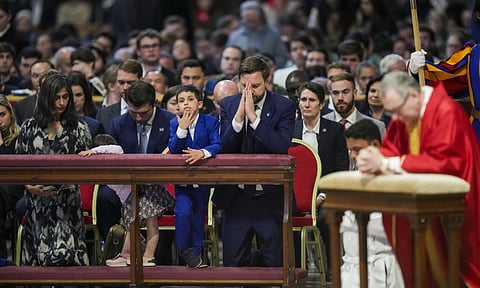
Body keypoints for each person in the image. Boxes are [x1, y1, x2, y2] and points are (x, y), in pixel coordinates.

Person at [356, 71, 480, 287]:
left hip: (454, 204)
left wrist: (387, 164)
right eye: (390, 112)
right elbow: (391, 149)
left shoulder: (445, 111)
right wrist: (372, 157)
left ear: (414, 95)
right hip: (421, 204)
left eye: (396, 110)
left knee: (456, 265)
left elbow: (446, 163)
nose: (394, 118)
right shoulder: (406, 113)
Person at [217, 56, 296, 267]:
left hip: (270, 198)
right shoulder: (228, 104)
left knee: (275, 264)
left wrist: (254, 118)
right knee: (232, 264)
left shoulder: (284, 106)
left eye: (256, 85)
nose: (249, 91)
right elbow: (223, 148)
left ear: (268, 81)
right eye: (244, 85)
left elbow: (281, 147)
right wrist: (238, 119)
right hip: (236, 198)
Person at [16, 73, 92, 266]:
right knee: (39, 262)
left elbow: (88, 167)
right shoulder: (29, 127)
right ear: (45, 98)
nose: (61, 103)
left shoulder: (79, 128)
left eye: (65, 97)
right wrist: (28, 186)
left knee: (69, 259)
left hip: (68, 202)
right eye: (56, 98)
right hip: (38, 203)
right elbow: (17, 164)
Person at [100, 80, 176, 265]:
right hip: (128, 181)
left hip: (162, 182)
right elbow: (112, 158)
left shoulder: (171, 121)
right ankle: (118, 247)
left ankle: (155, 256)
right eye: (134, 113)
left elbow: (176, 155)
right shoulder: (118, 123)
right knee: (104, 197)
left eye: (144, 113)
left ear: (154, 103)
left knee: (150, 208)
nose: (139, 118)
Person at [79, 134, 174, 267]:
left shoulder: (118, 153)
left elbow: (114, 148)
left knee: (151, 224)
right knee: (131, 224)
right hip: (133, 196)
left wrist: (93, 151)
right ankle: (126, 254)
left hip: (148, 189)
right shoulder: (104, 175)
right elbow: (122, 193)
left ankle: (149, 256)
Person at [292, 81, 349, 269]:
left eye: (311, 100)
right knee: (283, 218)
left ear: (321, 104)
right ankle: (296, 270)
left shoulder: (334, 131)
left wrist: (322, 196)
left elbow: (340, 169)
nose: (306, 104)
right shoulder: (289, 131)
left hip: (325, 197)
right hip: (294, 198)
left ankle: (332, 271)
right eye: (303, 100)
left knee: (327, 218)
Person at [341, 119, 404, 287]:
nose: (353, 155)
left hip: (381, 267)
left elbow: (394, 225)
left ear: (375, 145)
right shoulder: (351, 179)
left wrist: (355, 221)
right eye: (350, 150)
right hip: (351, 268)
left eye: (357, 149)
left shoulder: (393, 179)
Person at [168, 85, 222, 268]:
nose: (186, 104)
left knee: (199, 217)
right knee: (182, 213)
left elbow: (217, 145)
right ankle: (184, 250)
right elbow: (174, 149)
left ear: (199, 103)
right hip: (183, 180)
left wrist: (203, 152)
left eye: (190, 99)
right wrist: (182, 129)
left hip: (203, 179)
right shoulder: (175, 123)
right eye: (181, 101)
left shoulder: (210, 122)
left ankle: (196, 255)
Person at [227, 1, 288, 68]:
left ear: (261, 18)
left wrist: (266, 65)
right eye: (247, 21)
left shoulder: (273, 34)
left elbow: (282, 57)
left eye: (253, 21)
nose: (250, 24)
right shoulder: (235, 36)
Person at [323, 72, 385, 138]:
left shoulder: (376, 126)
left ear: (355, 93)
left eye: (345, 92)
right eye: (335, 93)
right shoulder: (320, 123)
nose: (340, 98)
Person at [0, 95, 23, 259]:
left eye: (2, 115)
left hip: (15, 186)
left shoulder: (19, 139)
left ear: (10, 114)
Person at [96, 59, 143, 131]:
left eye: (130, 83)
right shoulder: (103, 114)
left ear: (141, 81)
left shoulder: (154, 112)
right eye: (121, 82)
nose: (125, 88)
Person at [14, 59, 54, 125]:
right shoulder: (21, 105)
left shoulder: (62, 102)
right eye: (35, 76)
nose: (39, 80)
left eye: (44, 75)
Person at [67, 71, 106, 138]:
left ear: (86, 95)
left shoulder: (99, 118)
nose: (74, 100)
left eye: (78, 95)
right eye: (70, 96)